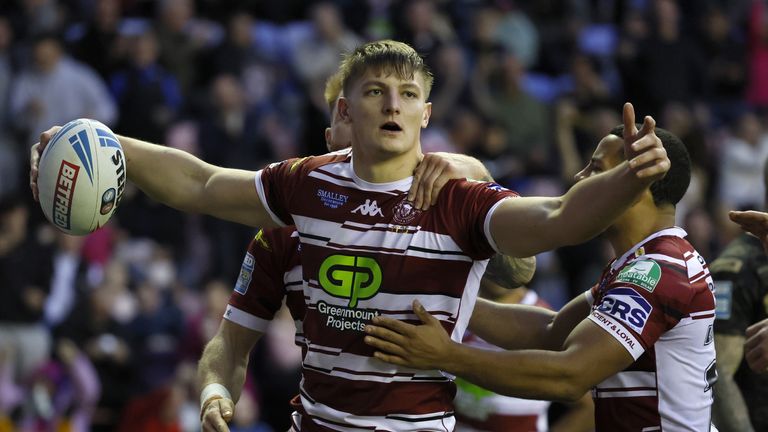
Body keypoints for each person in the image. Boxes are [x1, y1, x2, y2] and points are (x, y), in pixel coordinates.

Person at [31, 40, 669, 431]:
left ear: (426, 114)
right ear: (346, 111)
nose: (392, 104)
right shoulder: (304, 188)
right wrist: (104, 142)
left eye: (407, 94)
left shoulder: (455, 194)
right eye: (376, 92)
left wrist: (630, 178)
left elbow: (558, 220)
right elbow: (200, 184)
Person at [197, 70, 536, 432]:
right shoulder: (282, 232)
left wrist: (476, 174)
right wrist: (214, 392)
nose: (374, 118)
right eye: (350, 112)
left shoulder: (440, 201)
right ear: (331, 137)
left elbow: (519, 271)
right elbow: (231, 340)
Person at [364, 124, 717, 431]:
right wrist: (446, 298)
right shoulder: (645, 263)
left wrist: (447, 355)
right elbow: (549, 333)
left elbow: (569, 376)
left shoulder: (656, 271)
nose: (579, 179)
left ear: (633, 184)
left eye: (595, 169)